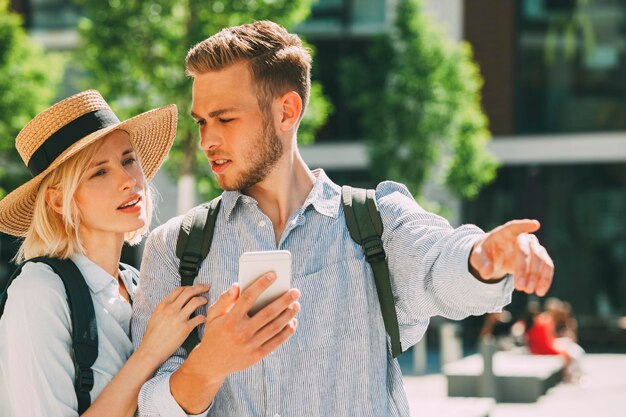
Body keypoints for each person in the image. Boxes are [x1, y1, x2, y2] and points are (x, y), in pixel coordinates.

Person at [131, 20, 555, 416]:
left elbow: (437, 263)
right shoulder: (176, 247)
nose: (207, 140)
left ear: (286, 111)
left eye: (224, 118)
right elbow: (144, 403)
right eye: (202, 121)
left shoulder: (374, 223)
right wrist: (210, 364)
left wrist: (483, 257)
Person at [0, 90, 225, 417]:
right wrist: (150, 352)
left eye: (128, 160)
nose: (128, 180)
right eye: (99, 172)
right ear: (59, 202)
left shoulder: (141, 285)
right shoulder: (39, 291)